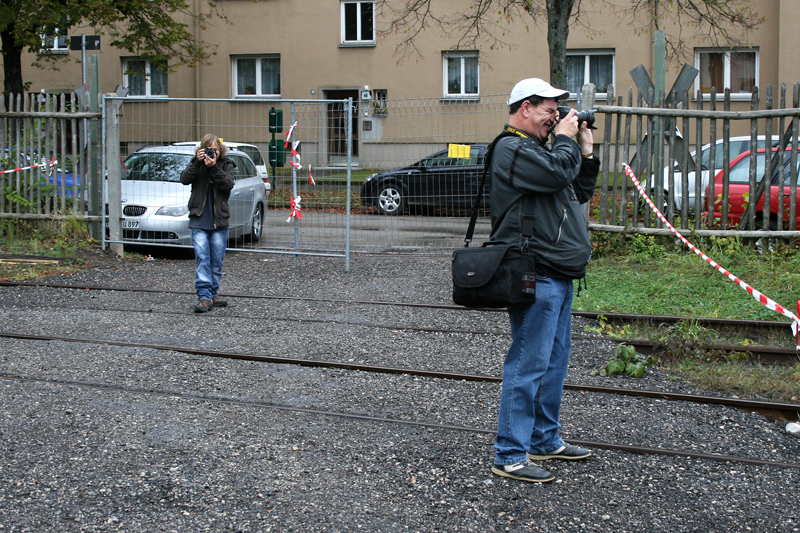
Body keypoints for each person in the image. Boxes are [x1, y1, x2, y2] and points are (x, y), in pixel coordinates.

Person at [488, 78, 600, 483]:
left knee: (553, 361)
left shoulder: (537, 151)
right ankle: (510, 453)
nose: (556, 117)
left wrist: (585, 153)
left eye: (559, 111)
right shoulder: (511, 149)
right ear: (525, 109)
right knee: (528, 363)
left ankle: (543, 438)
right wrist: (567, 140)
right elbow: (557, 173)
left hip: (559, 272)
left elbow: (576, 190)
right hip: (534, 272)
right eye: (550, 110)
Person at [180, 134, 236, 313]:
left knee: (216, 261)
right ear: (201, 150)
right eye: (208, 149)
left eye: (216, 149)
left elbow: (227, 185)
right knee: (202, 259)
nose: (213, 152)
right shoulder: (196, 165)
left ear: (221, 150)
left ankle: (213, 294)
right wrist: (197, 163)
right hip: (199, 220)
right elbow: (184, 179)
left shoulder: (227, 165)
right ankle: (204, 296)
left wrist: (214, 168)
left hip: (219, 222)